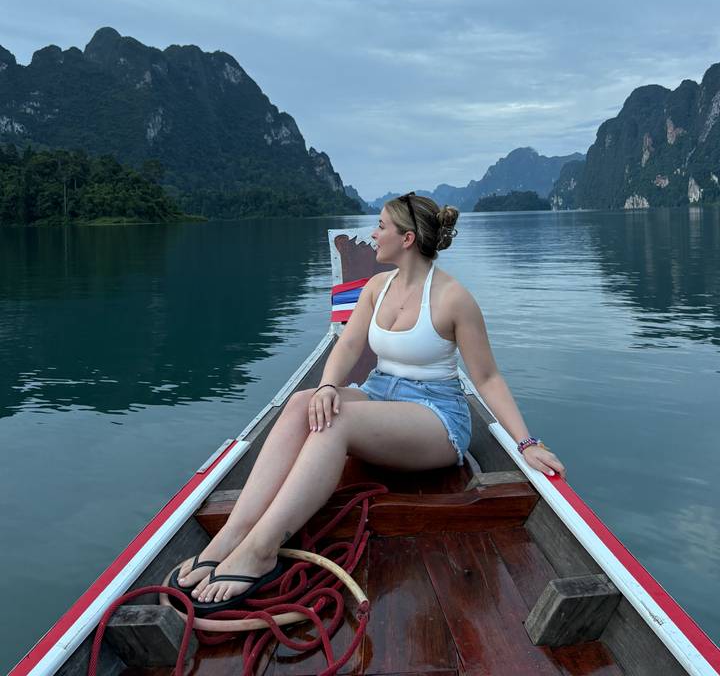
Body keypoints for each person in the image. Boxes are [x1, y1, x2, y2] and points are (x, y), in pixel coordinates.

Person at [174, 193, 566, 612]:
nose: (373, 234)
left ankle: (261, 549)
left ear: (408, 238)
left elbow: (486, 377)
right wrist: (326, 386)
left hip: (436, 415)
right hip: (380, 391)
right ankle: (233, 535)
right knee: (302, 403)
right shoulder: (377, 288)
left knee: (336, 423)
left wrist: (527, 444)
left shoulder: (454, 299)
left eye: (381, 226)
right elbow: (347, 347)